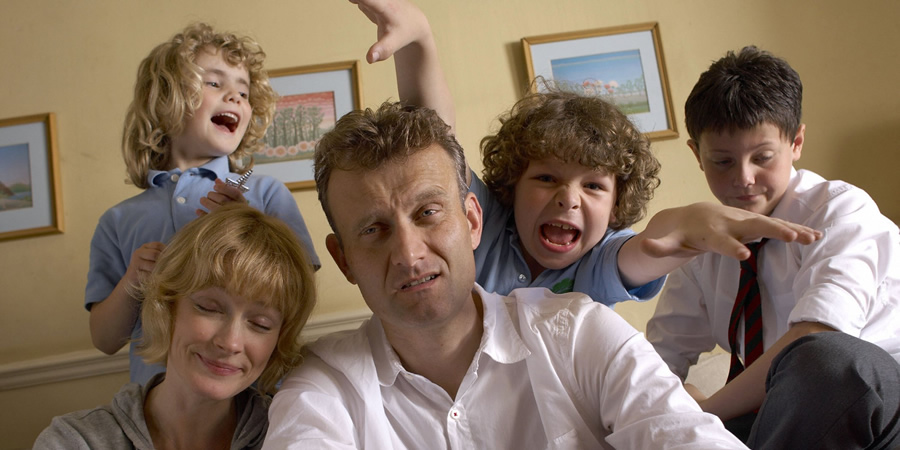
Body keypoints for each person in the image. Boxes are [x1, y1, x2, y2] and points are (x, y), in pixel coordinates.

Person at [262, 100, 752, 449]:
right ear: (343, 259)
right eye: (373, 229)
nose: (409, 255)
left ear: (472, 221)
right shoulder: (323, 387)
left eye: (429, 213)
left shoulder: (581, 330)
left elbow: (681, 433)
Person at [354, 0, 822, 310]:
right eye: (545, 179)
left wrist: (687, 224)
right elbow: (432, 143)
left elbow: (646, 248)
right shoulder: (484, 226)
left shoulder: (599, 258)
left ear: (616, 207)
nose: (568, 199)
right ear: (510, 186)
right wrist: (422, 39)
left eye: (594, 185)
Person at [646, 46, 900, 448]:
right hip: (781, 418)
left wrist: (705, 411)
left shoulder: (840, 210)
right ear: (697, 155)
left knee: (828, 358)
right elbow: (656, 360)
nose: (744, 178)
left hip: (878, 408)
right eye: (723, 162)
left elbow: (816, 335)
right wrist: (670, 405)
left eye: (763, 157)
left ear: (796, 142)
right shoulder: (705, 242)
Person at [86, 22, 319, 384]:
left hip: (252, 396)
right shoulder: (118, 220)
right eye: (214, 83)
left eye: (244, 92)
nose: (236, 98)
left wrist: (246, 229)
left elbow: (298, 296)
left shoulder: (266, 194)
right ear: (165, 99)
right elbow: (104, 340)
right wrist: (133, 280)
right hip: (159, 410)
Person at [36, 203, 317, 449]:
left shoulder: (295, 436)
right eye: (209, 308)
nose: (230, 342)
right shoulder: (74, 441)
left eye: (260, 324)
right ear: (167, 306)